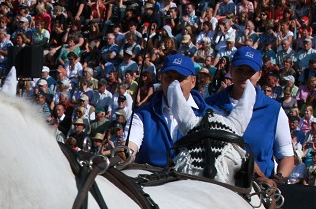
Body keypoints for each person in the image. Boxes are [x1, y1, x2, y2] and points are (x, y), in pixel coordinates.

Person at [205, 46, 296, 186]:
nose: (244, 76)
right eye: (240, 70)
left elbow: (287, 156)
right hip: (216, 185)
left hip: (257, 189)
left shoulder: (273, 110)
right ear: (230, 70)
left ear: (259, 74)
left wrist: (276, 180)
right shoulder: (210, 106)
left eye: (250, 72)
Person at [123, 53, 207, 167]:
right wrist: (125, 154)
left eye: (181, 78)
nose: (174, 84)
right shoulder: (142, 115)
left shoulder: (207, 115)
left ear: (193, 82)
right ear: (161, 79)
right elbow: (130, 147)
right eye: (169, 78)